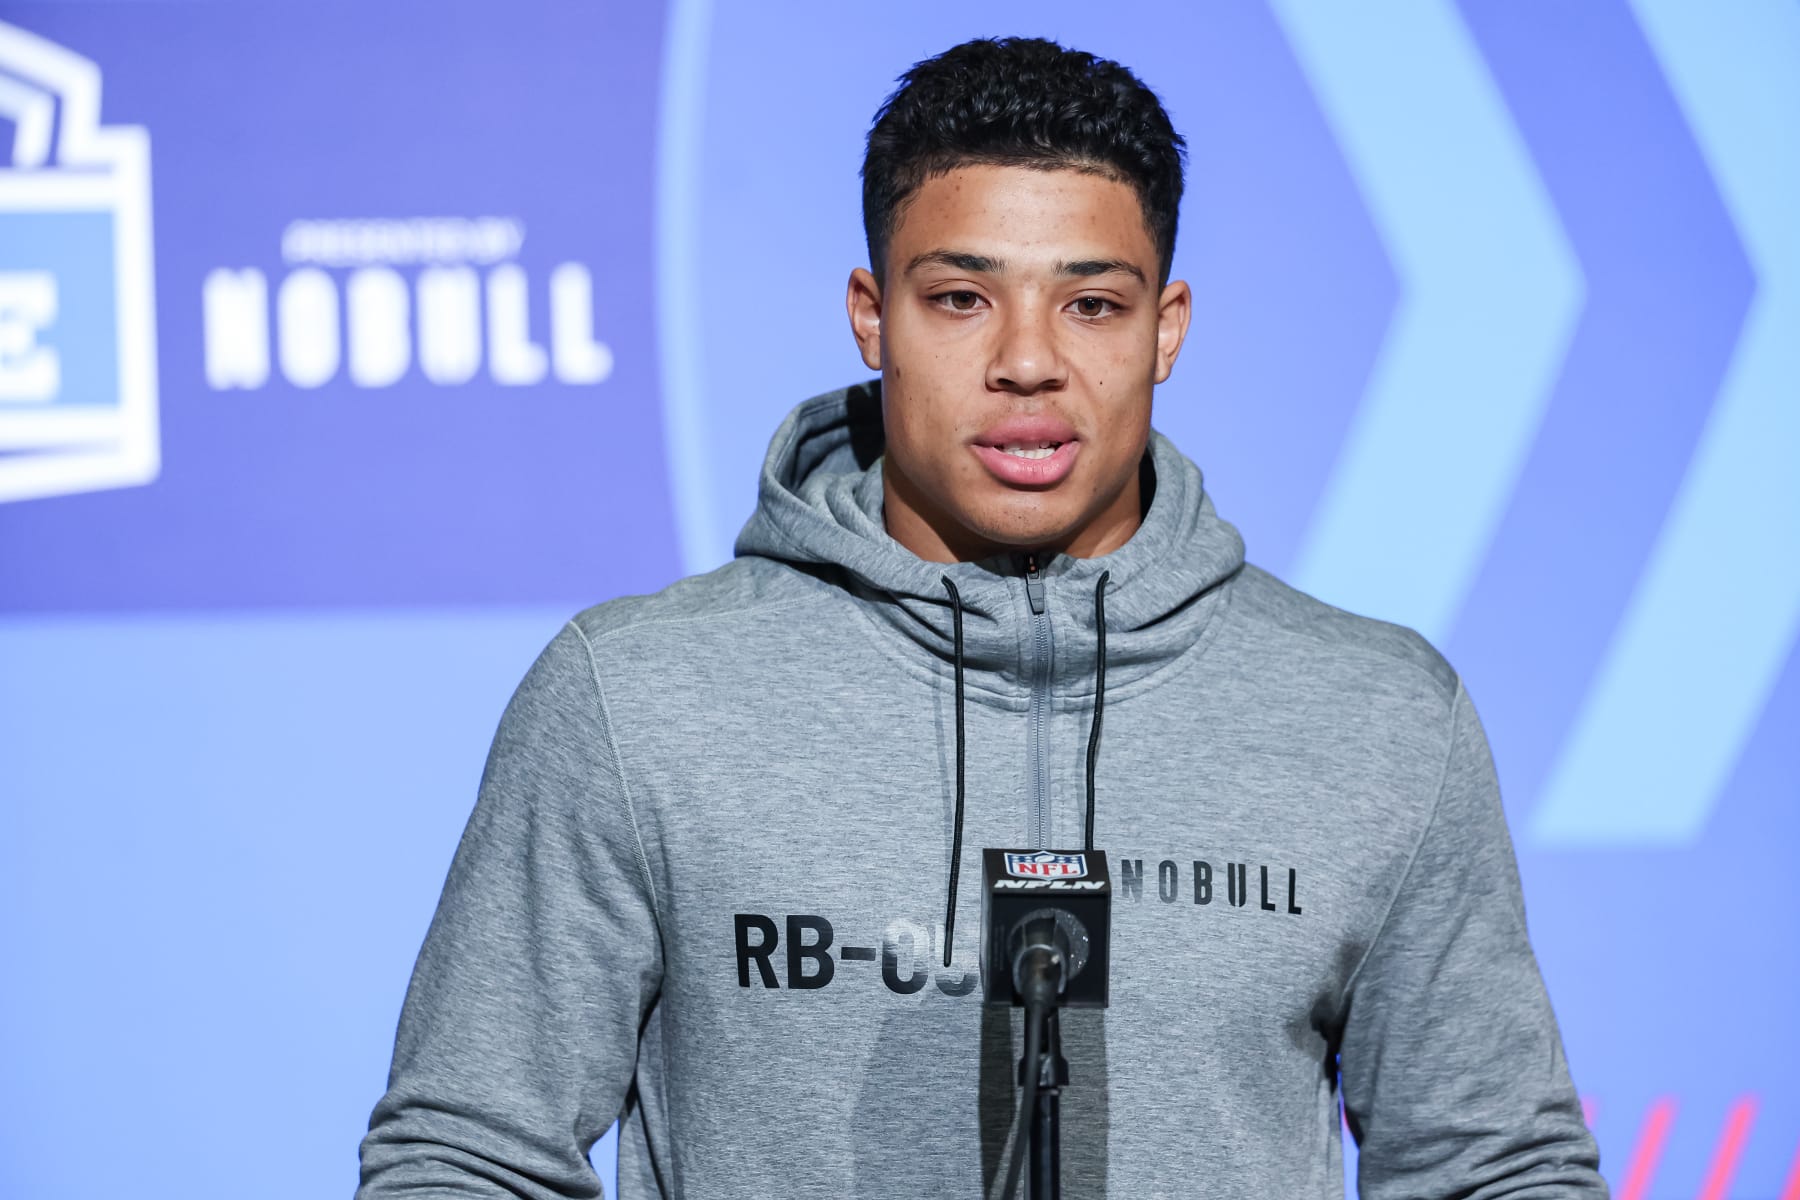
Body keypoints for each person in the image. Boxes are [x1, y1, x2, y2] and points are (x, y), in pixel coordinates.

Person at [357, 36, 1606, 1199]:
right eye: (961, 297)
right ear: (871, 314)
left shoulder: (1375, 718)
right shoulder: (638, 698)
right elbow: (468, 1151)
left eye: (1093, 304)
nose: (1026, 362)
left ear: (1166, 328)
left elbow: (1494, 1165)